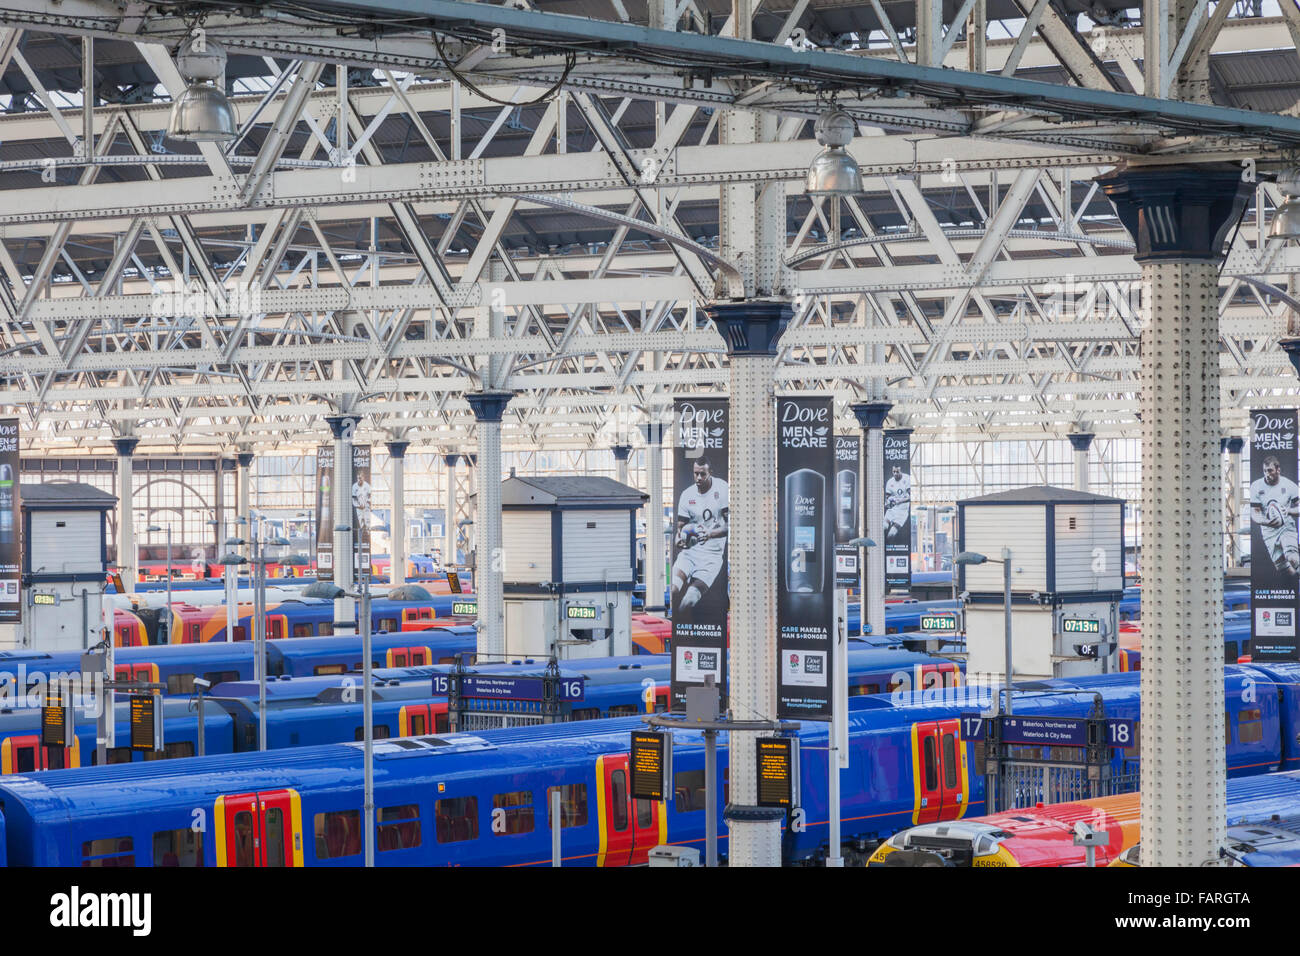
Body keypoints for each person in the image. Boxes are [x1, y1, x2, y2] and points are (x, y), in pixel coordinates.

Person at [671, 456, 729, 611]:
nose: (698, 477)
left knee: (690, 598)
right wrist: (678, 541)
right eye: (696, 473)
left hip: (712, 555)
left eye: (703, 474)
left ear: (710, 473)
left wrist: (710, 534)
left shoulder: (722, 488)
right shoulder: (687, 495)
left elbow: (730, 526)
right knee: (673, 588)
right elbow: (679, 529)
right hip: (690, 553)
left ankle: (683, 615)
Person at [1250, 455, 1300, 575]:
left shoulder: (1289, 485)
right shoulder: (1256, 486)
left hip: (1286, 526)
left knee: (1292, 556)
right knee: (1283, 568)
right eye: (1265, 471)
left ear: (1278, 470)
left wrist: (1288, 511)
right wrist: (1265, 521)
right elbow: (1255, 512)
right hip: (1268, 530)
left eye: (1270, 470)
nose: (1267, 474)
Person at [884, 464, 911, 540]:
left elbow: (910, 497)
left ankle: (890, 543)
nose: (895, 474)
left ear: (901, 471)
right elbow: (887, 497)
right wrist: (888, 503)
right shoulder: (890, 482)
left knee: (891, 534)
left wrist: (900, 501)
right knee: (884, 526)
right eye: (894, 472)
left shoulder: (907, 478)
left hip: (902, 511)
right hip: (892, 509)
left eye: (897, 472)